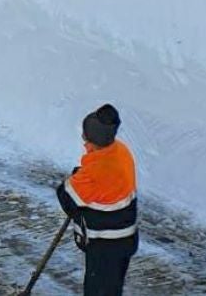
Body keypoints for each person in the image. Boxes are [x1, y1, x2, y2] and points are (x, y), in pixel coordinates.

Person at [56, 103, 138, 296]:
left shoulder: (95, 172)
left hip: (105, 245)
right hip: (125, 240)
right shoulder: (120, 151)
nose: (84, 142)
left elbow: (67, 197)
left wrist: (76, 179)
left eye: (86, 138)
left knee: (98, 291)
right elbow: (103, 181)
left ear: (93, 142)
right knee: (112, 288)